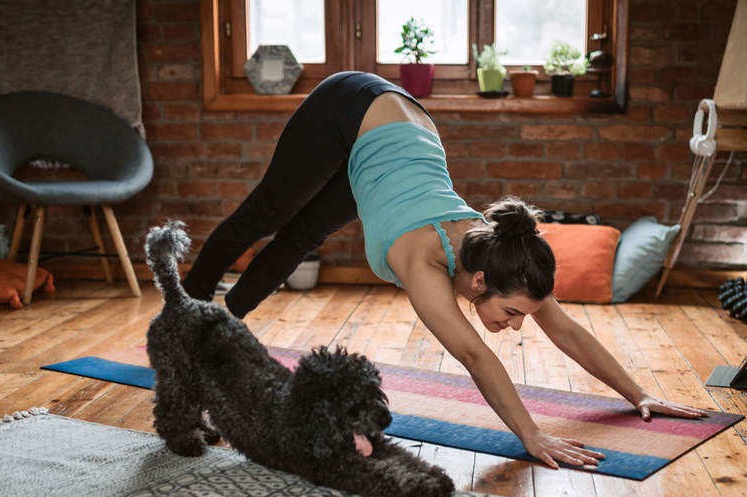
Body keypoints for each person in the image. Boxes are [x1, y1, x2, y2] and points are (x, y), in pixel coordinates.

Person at [182, 71, 707, 469]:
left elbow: (565, 329)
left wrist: (637, 393)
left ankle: (222, 318)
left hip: (399, 131)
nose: (517, 325)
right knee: (268, 217)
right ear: (479, 283)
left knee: (304, 236)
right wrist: (532, 436)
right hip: (350, 106)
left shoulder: (503, 259)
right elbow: (476, 356)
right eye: (512, 314)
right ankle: (187, 307)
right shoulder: (424, 262)